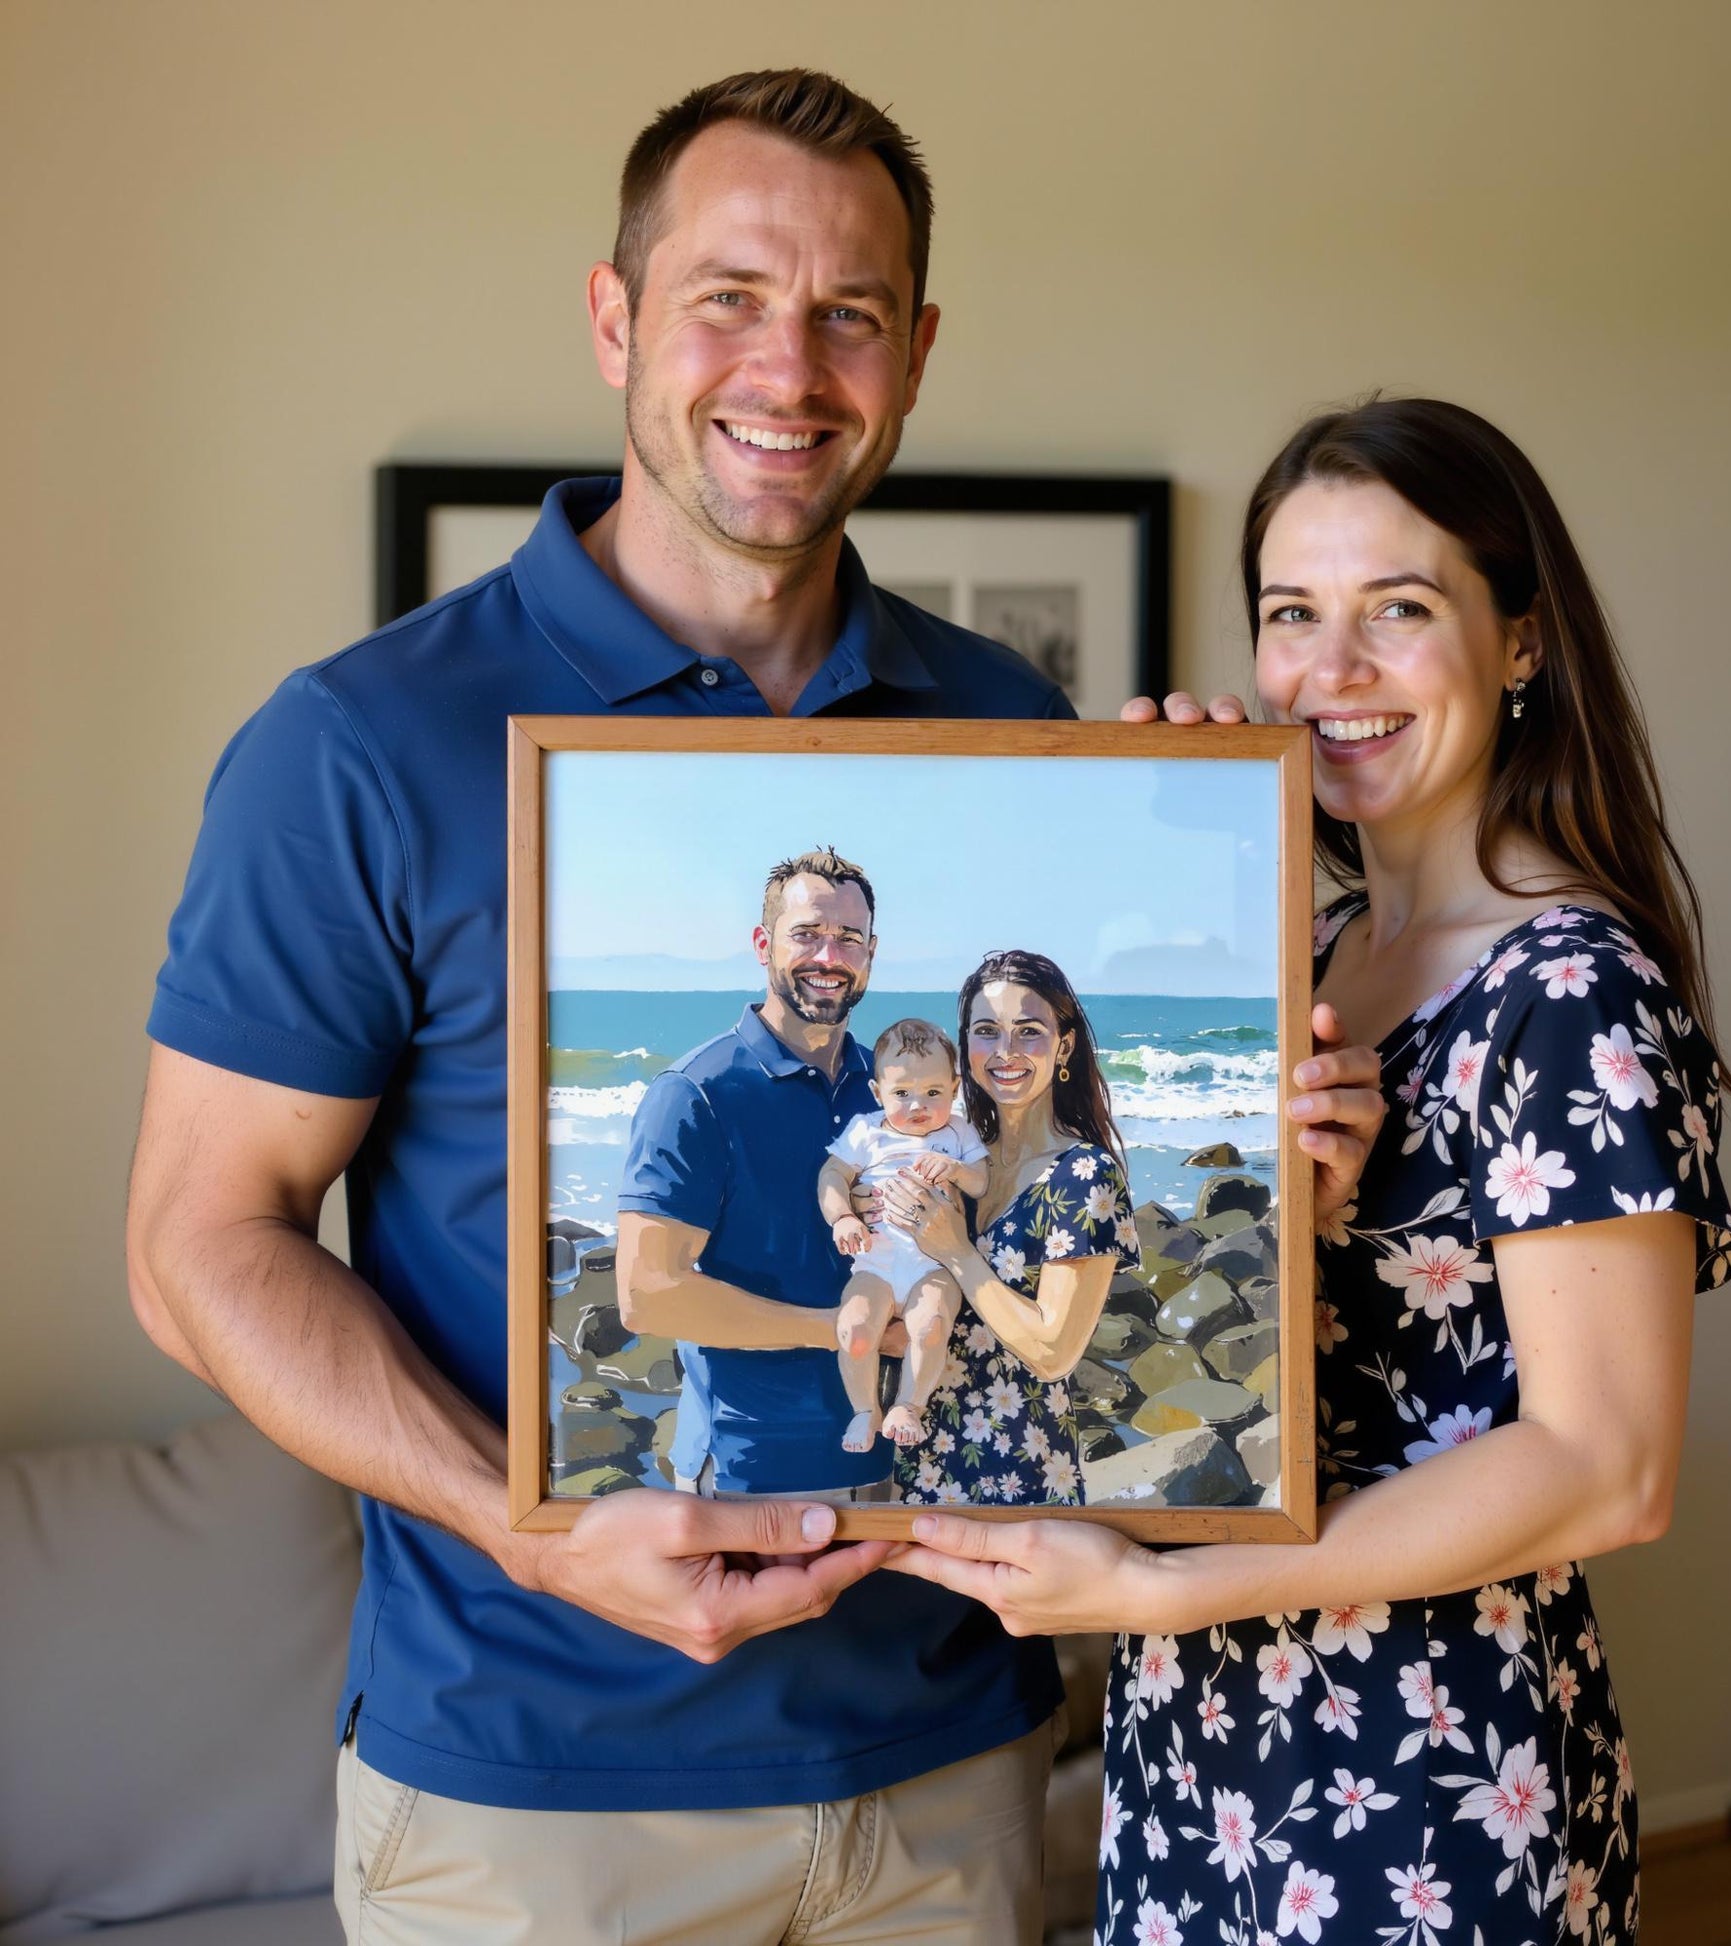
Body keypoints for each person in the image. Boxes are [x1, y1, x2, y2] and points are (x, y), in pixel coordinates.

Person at [126, 69, 1088, 1946]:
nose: (789, 369)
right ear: (613, 318)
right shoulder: (356, 746)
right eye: (728, 294)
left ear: (917, 355)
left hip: (955, 1766)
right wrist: (525, 1517)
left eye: (850, 314)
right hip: (533, 1802)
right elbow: (194, 1247)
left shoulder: (1013, 729)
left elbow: (1040, 1148)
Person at [890, 398, 1731, 1944]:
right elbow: (1173, 1326)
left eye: (1398, 611)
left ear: (1520, 644)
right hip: (1203, 1746)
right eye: (1292, 614)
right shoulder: (1302, 952)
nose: (1329, 671)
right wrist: (1162, 859)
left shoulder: (1567, 986)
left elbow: (1609, 1469)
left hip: (1423, 1775)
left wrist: (1161, 1597)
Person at [875, 949, 1134, 1507]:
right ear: (965, 1047)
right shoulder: (954, 1164)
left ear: (1064, 1046)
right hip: (917, 1463)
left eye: (1029, 1031)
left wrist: (958, 1251)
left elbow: (1052, 1351)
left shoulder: (1084, 1174)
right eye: (987, 1031)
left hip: (1019, 1476)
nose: (1006, 1052)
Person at [818, 1017, 988, 1452]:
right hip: (875, 1260)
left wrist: (955, 1169)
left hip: (933, 1264)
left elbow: (980, 1183)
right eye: (902, 1094)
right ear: (878, 1093)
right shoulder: (866, 1131)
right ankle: (864, 1409)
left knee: (930, 1326)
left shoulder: (958, 1133)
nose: (918, 1106)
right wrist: (842, 1218)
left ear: (955, 1088)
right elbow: (832, 1175)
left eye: (933, 1093)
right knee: (855, 1329)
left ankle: (908, 1404)